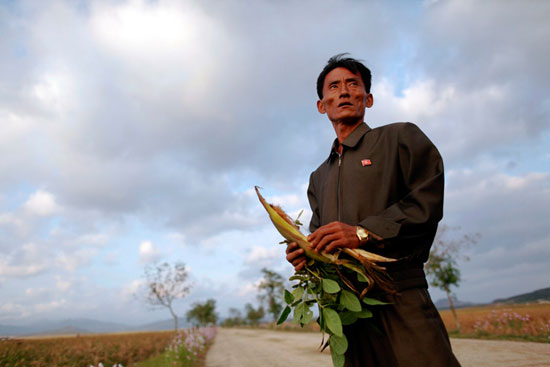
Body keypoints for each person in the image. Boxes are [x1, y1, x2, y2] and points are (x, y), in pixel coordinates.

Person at [285, 54, 461, 367]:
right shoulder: (318, 177)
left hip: (400, 293)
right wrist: (306, 254)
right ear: (321, 105)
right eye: (334, 86)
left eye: (353, 84)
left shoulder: (400, 139)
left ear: (368, 98)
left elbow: (427, 201)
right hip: (348, 307)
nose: (343, 91)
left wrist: (363, 233)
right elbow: (320, 235)